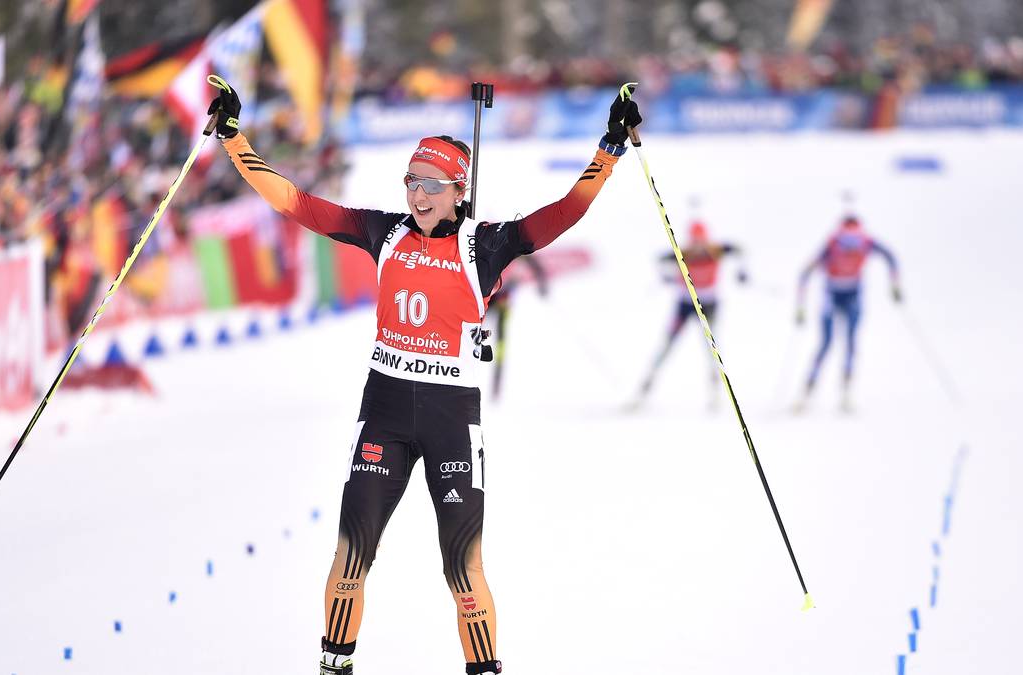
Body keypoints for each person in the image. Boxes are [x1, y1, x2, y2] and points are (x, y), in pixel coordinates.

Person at [208, 83, 641, 675]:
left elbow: (565, 211)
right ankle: (335, 667)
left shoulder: (486, 244)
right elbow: (296, 203)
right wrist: (234, 139)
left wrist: (609, 148)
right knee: (349, 557)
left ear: (458, 191)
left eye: (430, 184)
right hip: (384, 412)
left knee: (463, 570)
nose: (417, 194)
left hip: (451, 424)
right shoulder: (383, 232)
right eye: (410, 181)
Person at [629, 221, 745, 409]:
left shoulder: (716, 250)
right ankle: (643, 391)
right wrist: (665, 277)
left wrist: (743, 273)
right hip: (685, 303)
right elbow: (659, 260)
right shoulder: (682, 253)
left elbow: (739, 251)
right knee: (667, 345)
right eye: (694, 240)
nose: (698, 245)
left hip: (708, 305)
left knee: (712, 349)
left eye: (701, 240)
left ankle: (715, 394)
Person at [794, 214, 901, 411]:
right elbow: (805, 273)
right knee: (828, 344)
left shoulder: (862, 242)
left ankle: (845, 393)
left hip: (852, 295)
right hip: (833, 294)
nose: (851, 248)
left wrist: (895, 285)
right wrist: (800, 307)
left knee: (848, 342)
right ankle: (808, 392)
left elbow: (891, 258)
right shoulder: (836, 244)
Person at [486, 254, 549, 399]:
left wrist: (542, 285)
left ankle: (497, 384)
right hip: (489, 297)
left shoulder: (522, 250)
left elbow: (534, 264)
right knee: (473, 333)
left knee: (501, 341)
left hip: (503, 300)